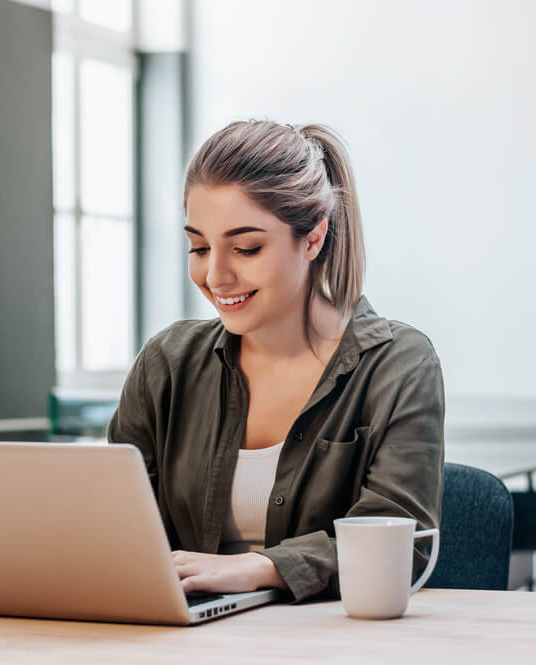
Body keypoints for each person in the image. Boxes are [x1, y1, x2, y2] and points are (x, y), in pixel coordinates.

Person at [107, 119, 444, 602]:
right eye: (199, 247)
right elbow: (116, 530)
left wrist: (259, 568)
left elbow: (402, 544)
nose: (216, 275)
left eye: (246, 248)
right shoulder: (167, 364)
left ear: (312, 239)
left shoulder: (397, 366)